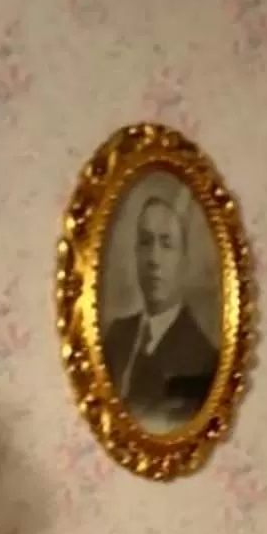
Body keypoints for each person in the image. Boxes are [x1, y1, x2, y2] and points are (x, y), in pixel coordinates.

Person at [101, 180, 218, 428]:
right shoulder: (115, 337)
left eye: (166, 244)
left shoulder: (203, 360)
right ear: (135, 254)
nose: (154, 259)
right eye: (146, 242)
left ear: (183, 261)